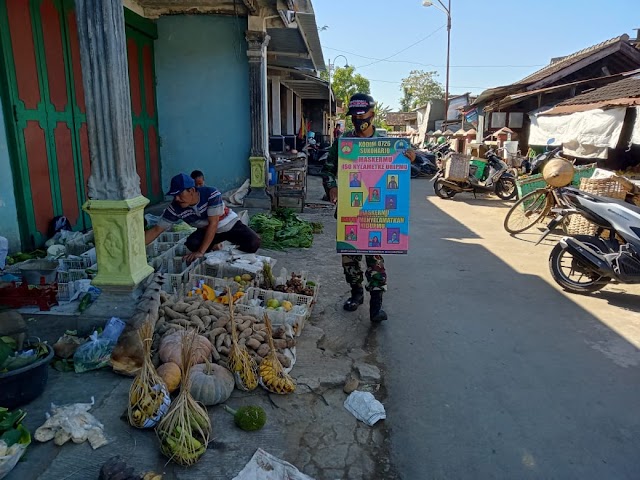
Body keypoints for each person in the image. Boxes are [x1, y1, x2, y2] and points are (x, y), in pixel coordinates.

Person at [323, 93, 388, 323]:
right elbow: (328, 169)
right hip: (349, 210)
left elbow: (399, 171)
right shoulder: (343, 143)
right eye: (354, 116)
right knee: (350, 257)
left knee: (375, 257)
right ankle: (356, 294)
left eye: (362, 114)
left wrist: (408, 156)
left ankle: (376, 305)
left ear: (372, 114)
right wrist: (331, 187)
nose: (358, 120)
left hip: (375, 211)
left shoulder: (385, 144)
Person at [145, 173, 261, 262]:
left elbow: (214, 224)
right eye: (174, 196)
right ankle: (214, 247)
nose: (176, 199)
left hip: (228, 224)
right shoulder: (176, 207)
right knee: (192, 244)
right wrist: (136, 250)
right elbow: (156, 229)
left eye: (179, 194)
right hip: (207, 230)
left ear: (191, 190)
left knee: (253, 242)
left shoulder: (211, 194)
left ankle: (226, 251)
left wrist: (201, 252)